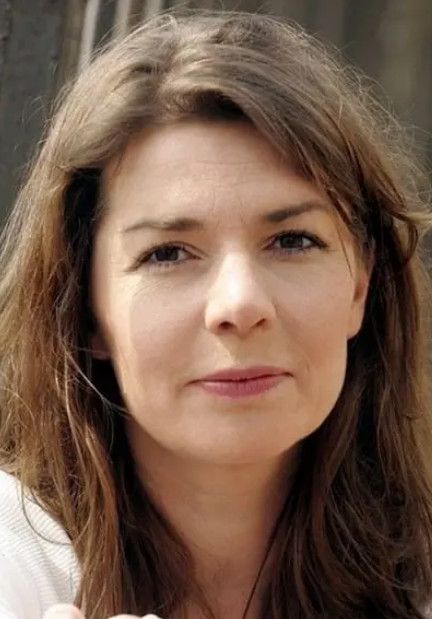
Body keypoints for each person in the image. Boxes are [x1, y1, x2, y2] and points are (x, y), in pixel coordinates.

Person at [0, 8, 432, 619]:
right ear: (86, 311)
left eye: (292, 241)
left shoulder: (417, 575)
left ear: (359, 286)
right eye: (167, 253)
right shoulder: (15, 554)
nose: (240, 304)